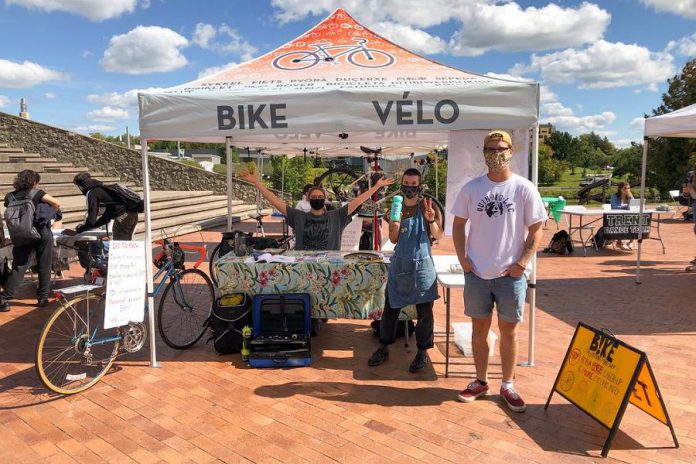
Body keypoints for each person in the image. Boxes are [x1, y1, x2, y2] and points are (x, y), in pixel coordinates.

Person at [451, 130, 546, 413]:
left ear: (511, 151)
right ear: (483, 153)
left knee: (509, 332)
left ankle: (508, 383)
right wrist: (464, 260)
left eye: (501, 148)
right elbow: (458, 225)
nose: (496, 154)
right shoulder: (472, 188)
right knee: (479, 330)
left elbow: (537, 227)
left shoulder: (524, 188)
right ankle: (481, 380)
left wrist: (522, 263)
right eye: (490, 149)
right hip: (478, 273)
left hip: (510, 275)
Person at [367, 168, 442, 372]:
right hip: (400, 266)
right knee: (390, 310)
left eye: (413, 184)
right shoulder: (395, 206)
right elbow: (393, 239)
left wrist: (430, 220)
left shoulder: (428, 206)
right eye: (406, 184)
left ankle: (422, 352)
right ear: (402, 184)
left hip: (422, 269)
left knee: (425, 314)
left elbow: (439, 235)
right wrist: (395, 222)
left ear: (420, 185)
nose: (409, 188)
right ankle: (383, 347)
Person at [240, 170, 393, 250]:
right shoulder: (298, 216)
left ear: (325, 199)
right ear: (308, 198)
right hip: (304, 266)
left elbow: (358, 200)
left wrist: (377, 187)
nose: (318, 198)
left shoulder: (337, 216)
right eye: (315, 196)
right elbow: (275, 201)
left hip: (329, 266)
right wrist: (257, 183)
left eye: (321, 196)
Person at [0, 170, 61, 311]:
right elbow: (57, 203)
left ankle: (4, 298)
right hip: (41, 232)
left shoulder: (10, 197)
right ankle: (42, 298)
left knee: (19, 267)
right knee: (44, 266)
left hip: (21, 234)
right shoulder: (37, 193)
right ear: (34, 182)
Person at [70, 173, 138, 272]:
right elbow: (107, 216)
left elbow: (91, 218)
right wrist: (91, 225)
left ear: (80, 185)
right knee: (124, 245)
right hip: (132, 214)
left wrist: (80, 230)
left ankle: (122, 275)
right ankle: (125, 273)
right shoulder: (102, 188)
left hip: (122, 217)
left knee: (120, 247)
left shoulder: (92, 192)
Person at [609, 182, 634, 251]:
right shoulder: (614, 196)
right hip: (616, 217)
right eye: (625, 188)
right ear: (620, 189)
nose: (627, 190)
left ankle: (631, 242)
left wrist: (631, 197)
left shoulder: (629, 196)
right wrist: (625, 207)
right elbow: (614, 207)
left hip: (627, 217)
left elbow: (634, 206)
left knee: (635, 223)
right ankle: (619, 242)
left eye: (628, 188)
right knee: (619, 223)